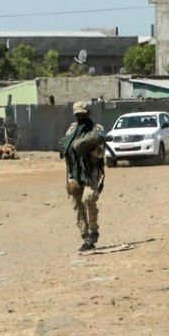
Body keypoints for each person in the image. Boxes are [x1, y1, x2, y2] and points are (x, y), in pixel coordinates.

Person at [59, 101, 111, 251]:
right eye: (78, 114)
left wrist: (89, 149)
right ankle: (86, 237)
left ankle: (94, 231)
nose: (81, 116)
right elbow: (66, 149)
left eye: (83, 113)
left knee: (88, 199)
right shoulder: (72, 130)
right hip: (75, 172)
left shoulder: (97, 129)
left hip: (91, 171)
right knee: (77, 204)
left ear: (88, 113)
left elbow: (101, 153)